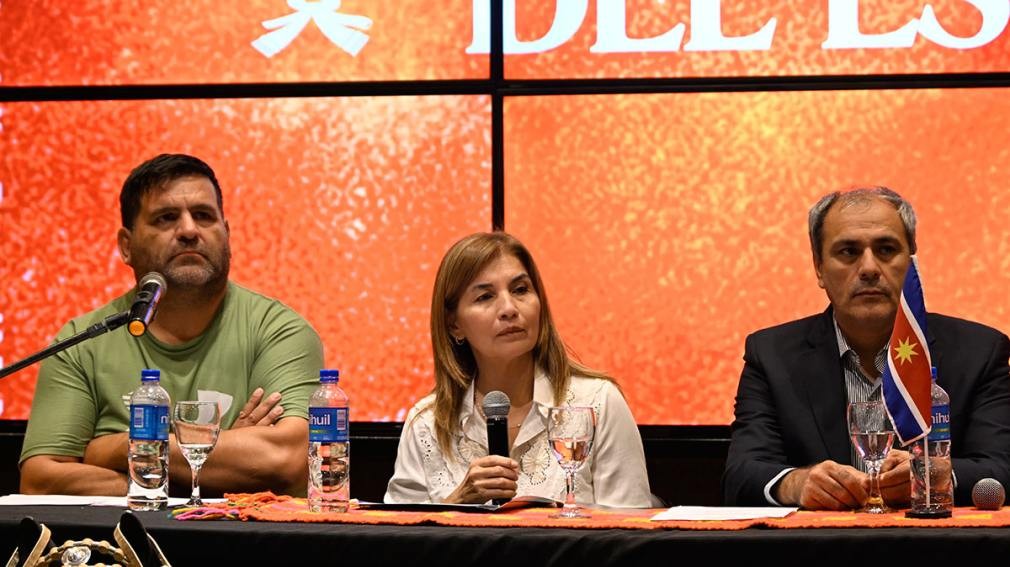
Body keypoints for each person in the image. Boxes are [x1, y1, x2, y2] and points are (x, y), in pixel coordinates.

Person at [19, 153, 324, 496]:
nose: (189, 230)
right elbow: (40, 482)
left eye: (204, 216)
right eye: (166, 218)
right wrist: (221, 457)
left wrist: (118, 447)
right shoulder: (81, 342)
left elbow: (284, 458)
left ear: (226, 234)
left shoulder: (279, 332)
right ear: (126, 246)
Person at [723, 186, 1010, 510]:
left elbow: (1001, 467)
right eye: (848, 252)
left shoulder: (979, 352)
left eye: (886, 249)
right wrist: (796, 483)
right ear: (819, 267)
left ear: (911, 261)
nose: (870, 268)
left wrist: (936, 475)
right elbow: (741, 474)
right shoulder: (772, 355)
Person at [384, 232, 652, 506]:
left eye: (520, 290)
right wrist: (457, 502)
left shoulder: (597, 402)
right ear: (454, 325)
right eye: (485, 296)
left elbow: (629, 525)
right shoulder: (427, 423)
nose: (509, 308)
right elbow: (396, 531)